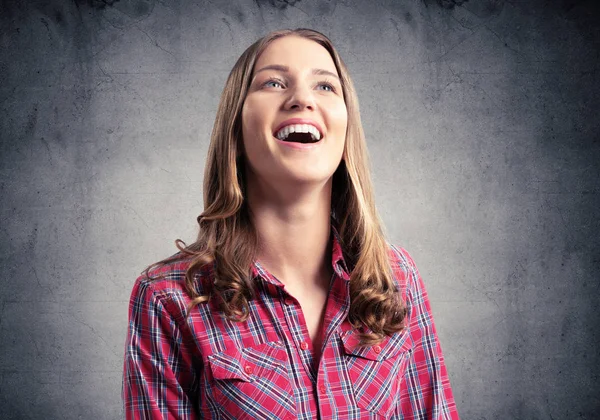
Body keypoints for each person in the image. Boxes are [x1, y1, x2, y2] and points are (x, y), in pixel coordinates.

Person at [122, 28, 459, 419]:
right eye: (274, 82)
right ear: (236, 125)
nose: (302, 99)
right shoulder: (168, 297)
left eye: (325, 87)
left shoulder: (397, 277)